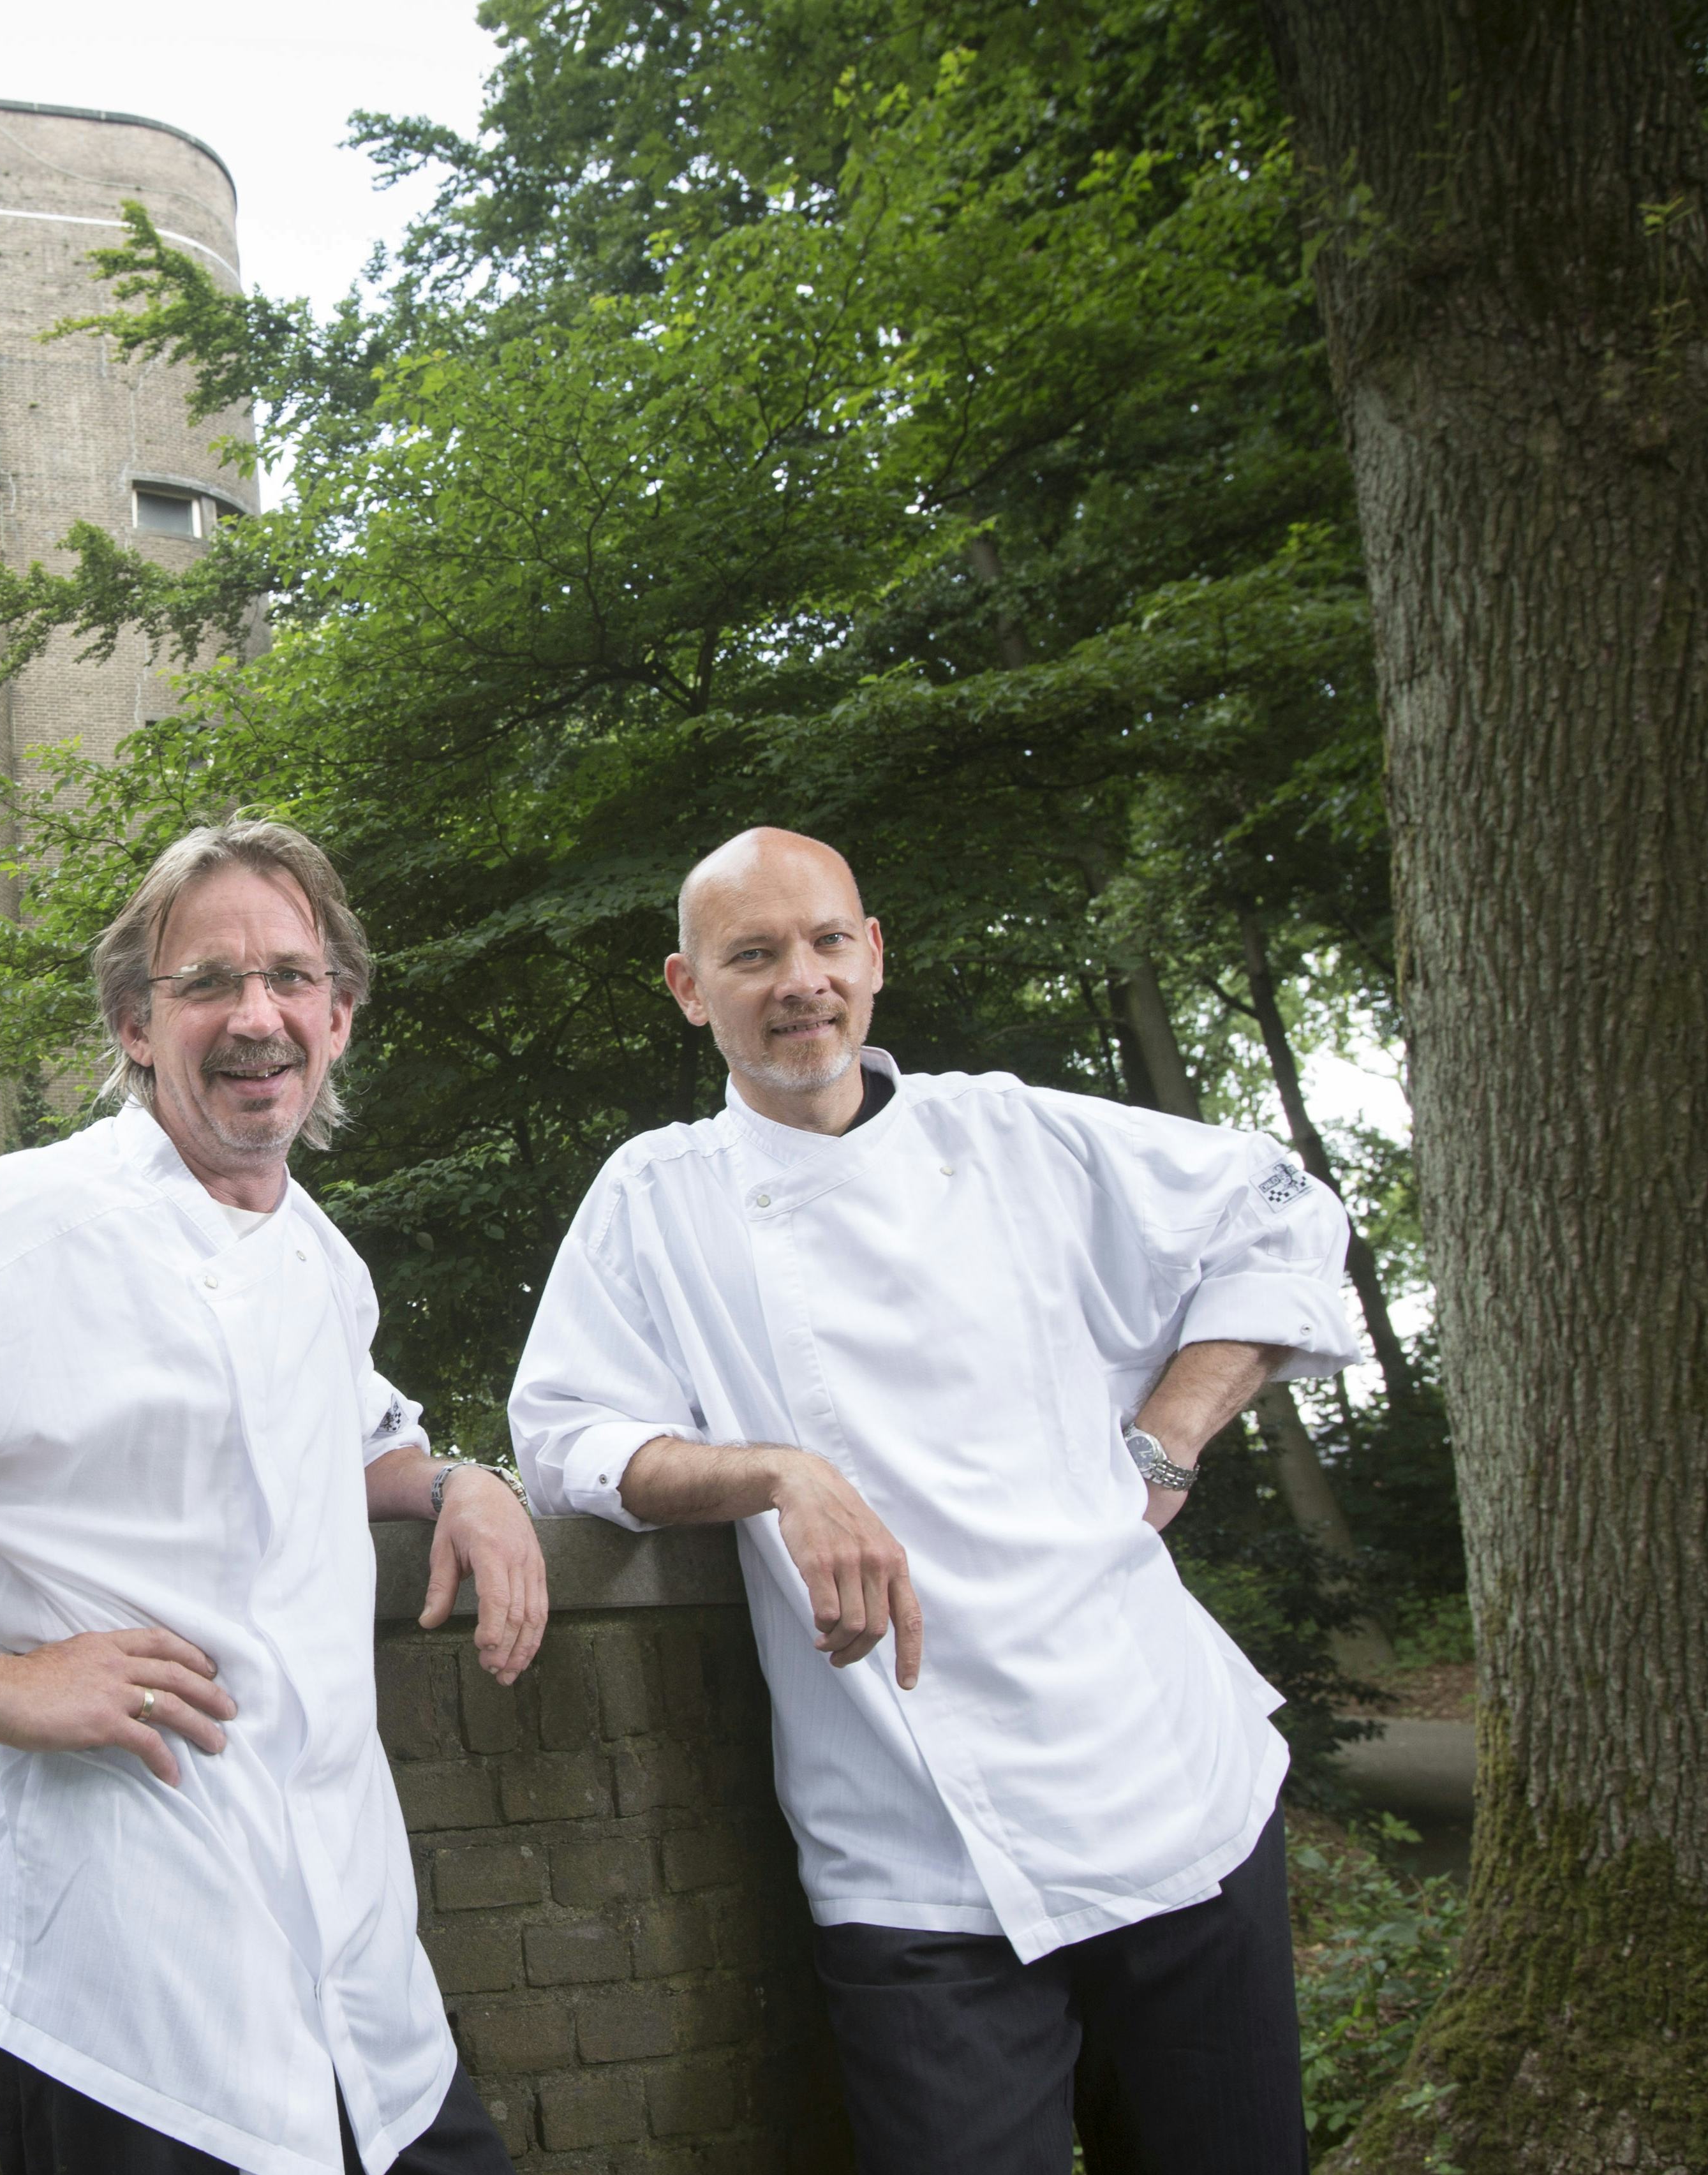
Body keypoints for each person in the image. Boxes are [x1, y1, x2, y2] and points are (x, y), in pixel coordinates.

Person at [0, 819, 547, 2175]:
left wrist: (455, 1482)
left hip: (352, 1971)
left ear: (341, 1015)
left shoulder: (316, 1256)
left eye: (292, 979)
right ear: (137, 1025)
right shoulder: (31, 1221)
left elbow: (340, 1433)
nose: (257, 1017)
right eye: (207, 984)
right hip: (127, 1974)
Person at [504, 827, 1353, 2175]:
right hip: (908, 1866)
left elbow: (1282, 1205)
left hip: (1166, 1794)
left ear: (874, 955)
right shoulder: (655, 1197)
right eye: (754, 954)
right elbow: (561, 1439)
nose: (802, 981)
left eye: (828, 941)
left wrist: (1170, 1439)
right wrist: (779, 1470)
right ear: (687, 987)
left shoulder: (1010, 1132)